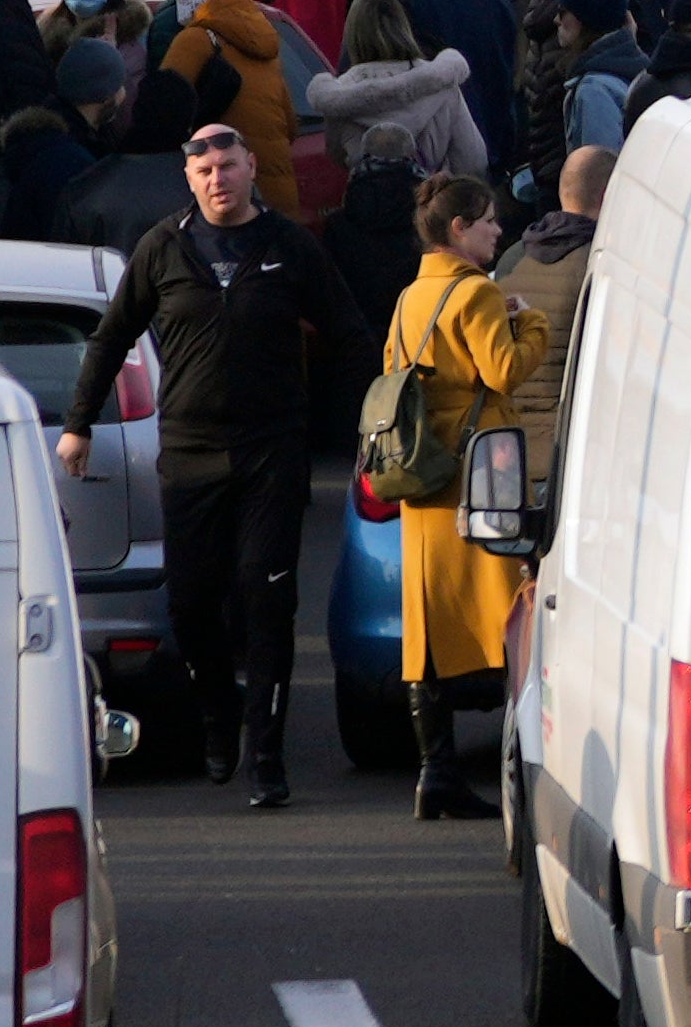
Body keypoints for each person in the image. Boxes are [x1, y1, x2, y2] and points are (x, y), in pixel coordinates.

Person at [71, 117, 340, 804]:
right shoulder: (163, 248)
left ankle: (266, 756)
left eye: (228, 166)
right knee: (192, 606)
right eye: (205, 171)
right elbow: (109, 341)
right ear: (190, 180)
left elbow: (349, 331)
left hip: (271, 449)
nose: (218, 180)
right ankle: (218, 713)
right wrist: (77, 426)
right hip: (190, 449)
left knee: (265, 593)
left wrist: (368, 428)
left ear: (251, 168)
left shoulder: (287, 245)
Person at [377, 170, 555, 822]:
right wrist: (528, 318)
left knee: (428, 626)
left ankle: (436, 773)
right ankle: (522, 769)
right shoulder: (478, 293)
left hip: (422, 472)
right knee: (509, 617)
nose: (497, 230)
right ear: (458, 229)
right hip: (477, 470)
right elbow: (504, 370)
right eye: (486, 221)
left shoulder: (410, 296)